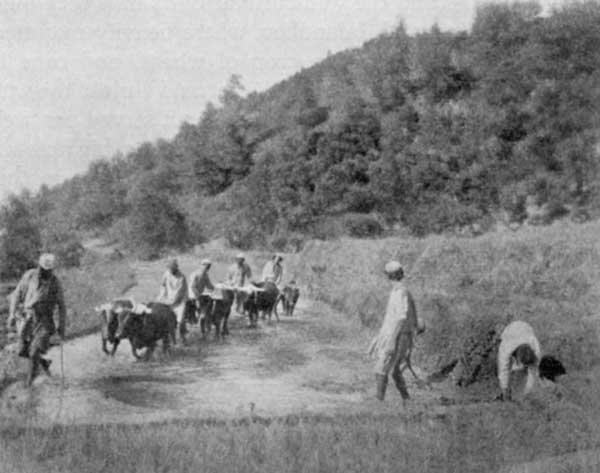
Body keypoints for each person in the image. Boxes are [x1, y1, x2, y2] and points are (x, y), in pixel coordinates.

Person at [7, 253, 66, 386]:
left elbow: (62, 307)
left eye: (48, 270)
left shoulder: (55, 283)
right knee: (22, 351)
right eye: (43, 269)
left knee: (34, 351)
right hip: (27, 318)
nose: (45, 272)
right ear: (39, 266)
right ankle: (43, 362)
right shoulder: (29, 276)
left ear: (52, 269)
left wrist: (62, 327)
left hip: (45, 321)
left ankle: (29, 384)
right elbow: (17, 295)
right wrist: (12, 314)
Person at [368, 261, 420, 403]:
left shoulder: (401, 292)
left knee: (381, 368)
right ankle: (407, 400)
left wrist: (392, 340)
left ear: (389, 276)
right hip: (394, 334)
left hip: (398, 336)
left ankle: (379, 402)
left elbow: (401, 318)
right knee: (395, 370)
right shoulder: (398, 291)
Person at [497, 320, 541, 401]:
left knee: (523, 372)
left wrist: (527, 393)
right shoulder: (506, 347)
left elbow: (533, 372)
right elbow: (503, 370)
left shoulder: (535, 346)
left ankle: (520, 393)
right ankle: (507, 392)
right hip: (509, 331)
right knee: (509, 370)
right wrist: (505, 390)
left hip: (526, 328)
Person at [157, 259, 188, 343]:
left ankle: (182, 337)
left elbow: (179, 292)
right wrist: (161, 295)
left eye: (172, 268)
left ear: (176, 268)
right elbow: (163, 285)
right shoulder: (166, 274)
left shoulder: (181, 277)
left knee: (180, 320)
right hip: (168, 299)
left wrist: (171, 302)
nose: (170, 270)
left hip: (179, 301)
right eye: (169, 268)